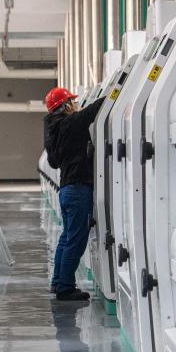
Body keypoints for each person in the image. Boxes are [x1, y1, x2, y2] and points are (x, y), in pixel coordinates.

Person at [43, 87, 105, 301]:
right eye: (72, 102)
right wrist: (117, 89)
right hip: (78, 189)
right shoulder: (69, 124)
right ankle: (66, 288)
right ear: (65, 105)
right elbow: (92, 111)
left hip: (67, 189)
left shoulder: (54, 129)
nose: (75, 105)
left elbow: (53, 162)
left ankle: (58, 281)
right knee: (76, 241)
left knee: (67, 237)